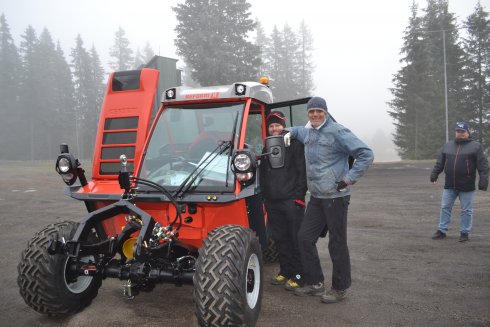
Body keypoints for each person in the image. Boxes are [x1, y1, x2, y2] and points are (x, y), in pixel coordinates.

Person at [283, 97, 374, 304]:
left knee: (337, 243)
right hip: (316, 196)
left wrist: (348, 179)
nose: (315, 115)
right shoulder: (309, 132)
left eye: (319, 111)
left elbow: (366, 154)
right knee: (305, 238)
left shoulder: (338, 131)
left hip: (336, 197)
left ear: (325, 112)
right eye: (311, 111)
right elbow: (297, 131)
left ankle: (340, 288)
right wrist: (286, 131)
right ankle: (315, 283)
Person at [259, 111, 307, 291]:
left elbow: (302, 173)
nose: (275, 128)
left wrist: (299, 197)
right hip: (272, 201)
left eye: (277, 125)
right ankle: (286, 271)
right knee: (280, 238)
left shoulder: (295, 145)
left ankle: (300, 275)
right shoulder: (267, 148)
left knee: (296, 238)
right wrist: (265, 196)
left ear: (284, 125)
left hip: (292, 201)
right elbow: (263, 174)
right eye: (271, 126)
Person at [430, 121, 488, 242]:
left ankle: (464, 233)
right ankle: (442, 230)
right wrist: (434, 174)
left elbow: (483, 165)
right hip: (450, 184)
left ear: (468, 132)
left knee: (466, 210)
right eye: (458, 131)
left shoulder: (476, 146)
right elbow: (440, 163)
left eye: (463, 131)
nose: (460, 133)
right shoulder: (447, 146)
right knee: (445, 207)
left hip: (466, 185)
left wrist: (483, 180)